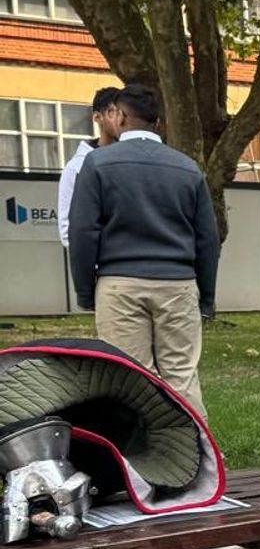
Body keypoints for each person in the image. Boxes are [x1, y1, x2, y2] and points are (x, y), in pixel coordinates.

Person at [67, 84, 219, 420]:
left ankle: (140, 466)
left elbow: (82, 232)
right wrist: (205, 297)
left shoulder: (97, 164)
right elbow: (207, 238)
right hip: (178, 284)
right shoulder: (187, 168)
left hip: (119, 284)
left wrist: (85, 290)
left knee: (132, 380)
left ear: (119, 116)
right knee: (182, 378)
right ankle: (199, 461)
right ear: (158, 122)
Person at [57, 86, 120, 250]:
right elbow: (67, 230)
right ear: (97, 117)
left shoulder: (134, 160)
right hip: (104, 269)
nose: (120, 119)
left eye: (123, 113)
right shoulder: (76, 168)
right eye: (113, 112)